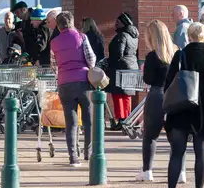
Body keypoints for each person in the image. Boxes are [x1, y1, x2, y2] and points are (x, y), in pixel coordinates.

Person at [163, 23, 204, 188]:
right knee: (201, 152)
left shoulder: (180, 55)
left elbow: (169, 83)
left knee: (177, 152)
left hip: (180, 108)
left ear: (189, 36)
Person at [50, 11, 96, 166]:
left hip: (64, 84)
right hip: (83, 82)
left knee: (71, 122)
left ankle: (73, 157)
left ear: (58, 25)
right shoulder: (82, 37)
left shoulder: (54, 42)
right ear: (71, 22)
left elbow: (53, 66)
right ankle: (88, 154)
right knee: (88, 120)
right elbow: (91, 58)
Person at [136, 20, 178, 182]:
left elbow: (148, 79)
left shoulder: (152, 56)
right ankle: (180, 171)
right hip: (174, 96)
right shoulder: (177, 53)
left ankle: (147, 171)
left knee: (150, 136)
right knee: (175, 136)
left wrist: (145, 69)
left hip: (156, 95)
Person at [106, 13, 139, 130]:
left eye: (117, 22)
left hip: (120, 68)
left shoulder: (122, 35)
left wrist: (109, 63)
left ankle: (121, 119)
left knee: (117, 94)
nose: (115, 24)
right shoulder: (134, 36)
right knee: (127, 95)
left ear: (124, 23)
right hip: (132, 67)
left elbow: (117, 53)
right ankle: (127, 119)